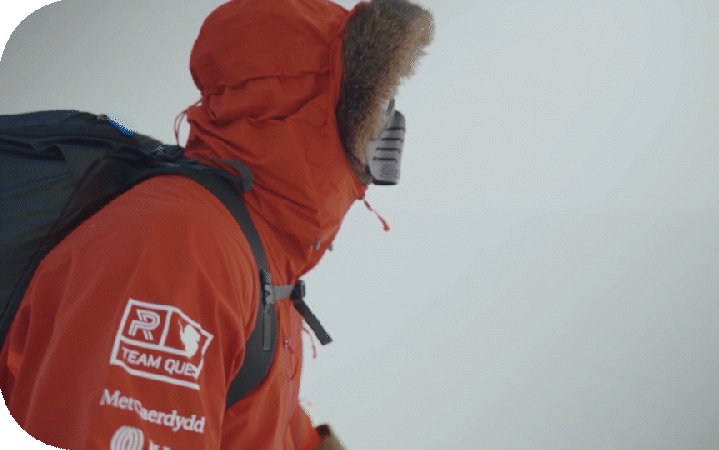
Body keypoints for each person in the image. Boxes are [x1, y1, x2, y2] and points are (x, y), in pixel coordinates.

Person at [0, 0, 433, 448]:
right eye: (376, 103)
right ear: (310, 108)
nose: (389, 124)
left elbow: (253, 416)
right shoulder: (184, 247)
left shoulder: (260, 250)